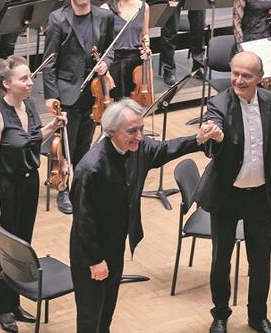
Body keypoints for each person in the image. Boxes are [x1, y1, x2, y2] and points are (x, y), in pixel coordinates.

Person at [70, 98, 220, 332]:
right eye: (132, 131)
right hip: (90, 250)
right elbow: (83, 221)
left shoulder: (137, 148)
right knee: (90, 316)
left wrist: (198, 139)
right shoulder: (90, 168)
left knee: (107, 309)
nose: (140, 136)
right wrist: (95, 260)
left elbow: (164, 149)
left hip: (115, 242)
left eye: (141, 128)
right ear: (111, 131)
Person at [195, 51, 271, 333]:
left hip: (259, 195)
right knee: (221, 259)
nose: (238, 80)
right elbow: (211, 142)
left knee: (260, 260)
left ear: (260, 78)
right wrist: (214, 137)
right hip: (227, 195)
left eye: (246, 75)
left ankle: (258, 316)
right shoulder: (218, 103)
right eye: (235, 74)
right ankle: (220, 314)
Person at [0, 55, 67, 333]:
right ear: (7, 84)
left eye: (30, 77)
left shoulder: (27, 106)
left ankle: (14, 300)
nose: (31, 82)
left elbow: (30, 139)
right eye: (24, 79)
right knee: (3, 250)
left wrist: (52, 127)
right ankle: (2, 307)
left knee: (22, 245)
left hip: (29, 185)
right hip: (4, 189)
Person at [42, 0, 115, 214]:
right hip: (67, 93)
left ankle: (81, 187)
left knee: (84, 144)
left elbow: (109, 50)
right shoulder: (58, 19)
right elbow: (49, 61)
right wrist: (51, 95)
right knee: (65, 146)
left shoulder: (104, 17)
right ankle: (63, 189)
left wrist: (107, 63)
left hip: (94, 94)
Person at [102, 0, 150, 100]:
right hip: (114, 62)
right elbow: (101, 44)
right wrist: (106, 71)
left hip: (136, 62)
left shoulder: (143, 7)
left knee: (134, 104)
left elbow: (144, 34)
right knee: (117, 107)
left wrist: (147, 47)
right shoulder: (105, 10)